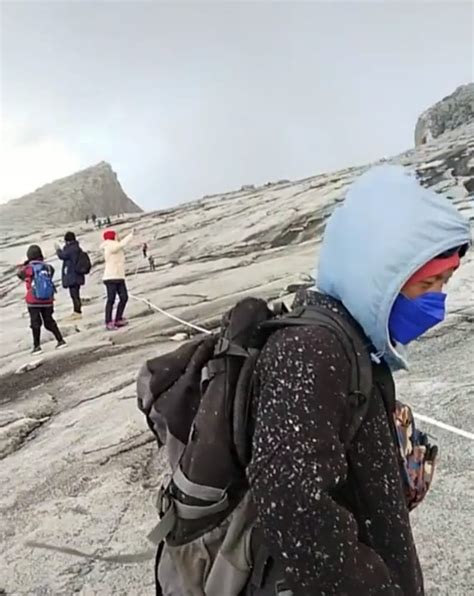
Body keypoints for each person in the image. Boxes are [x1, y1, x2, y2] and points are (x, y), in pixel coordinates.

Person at [246, 166, 470, 595]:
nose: (438, 301)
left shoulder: (353, 337)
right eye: (427, 283)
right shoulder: (311, 348)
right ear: (380, 275)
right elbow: (292, 509)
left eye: (445, 282)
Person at [17, 245, 66, 354]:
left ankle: (37, 347)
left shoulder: (28, 268)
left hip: (33, 300)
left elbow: (20, 275)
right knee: (49, 321)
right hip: (48, 299)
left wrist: (24, 264)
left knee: (35, 323)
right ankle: (60, 340)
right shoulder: (48, 267)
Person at [102, 229, 134, 330]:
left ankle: (118, 318)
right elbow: (120, 245)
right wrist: (130, 235)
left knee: (124, 297)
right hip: (111, 277)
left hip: (119, 276)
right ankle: (108, 321)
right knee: (111, 300)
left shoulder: (114, 246)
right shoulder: (110, 246)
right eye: (116, 235)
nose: (117, 236)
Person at [55, 231, 85, 320]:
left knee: (74, 295)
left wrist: (58, 249)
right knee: (76, 294)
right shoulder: (77, 247)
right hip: (78, 274)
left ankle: (77, 312)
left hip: (73, 275)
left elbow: (62, 256)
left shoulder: (70, 249)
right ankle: (77, 310)